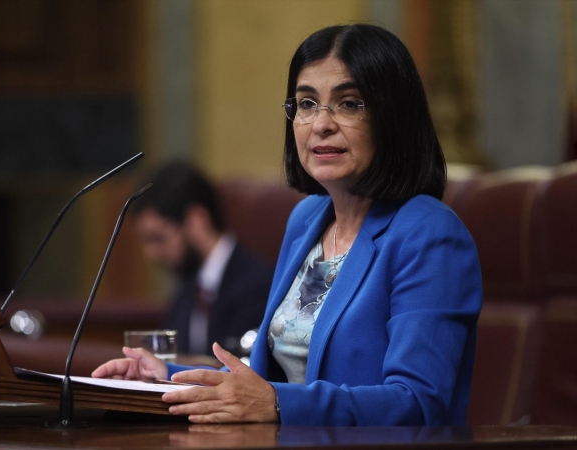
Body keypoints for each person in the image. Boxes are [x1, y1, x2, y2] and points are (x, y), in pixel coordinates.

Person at [93, 24, 482, 426]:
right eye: (307, 103)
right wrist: (166, 380)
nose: (321, 124)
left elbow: (418, 403)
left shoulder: (430, 235)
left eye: (349, 104)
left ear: (394, 118)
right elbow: (263, 380)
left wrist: (279, 405)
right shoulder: (306, 220)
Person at [131, 162, 272, 357]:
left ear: (197, 220)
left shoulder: (258, 287)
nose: (151, 254)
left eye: (158, 238)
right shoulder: (186, 292)